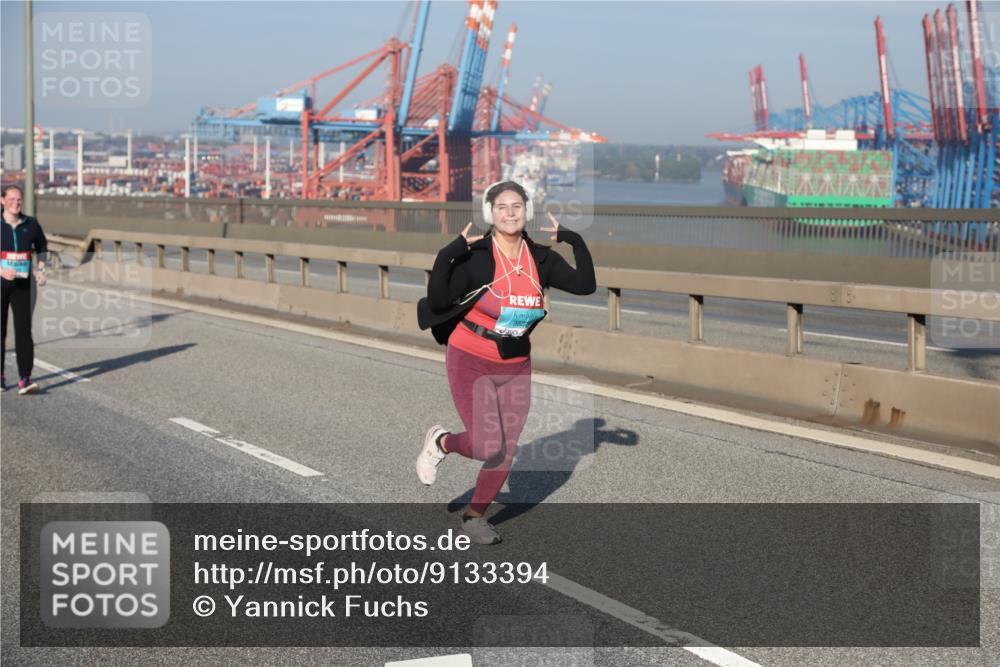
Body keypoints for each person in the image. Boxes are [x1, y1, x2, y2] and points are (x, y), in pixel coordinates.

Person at [416, 180, 596, 544]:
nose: (510, 212)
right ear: (490, 213)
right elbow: (437, 302)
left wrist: (575, 240)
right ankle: (441, 442)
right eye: (502, 207)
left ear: (526, 210)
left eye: (516, 206)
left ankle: (474, 517)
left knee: (506, 449)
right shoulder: (477, 255)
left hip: (515, 362)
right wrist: (446, 256)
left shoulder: (541, 258)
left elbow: (584, 286)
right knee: (486, 444)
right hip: (470, 355)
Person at [1, 185, 48, 394]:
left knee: (24, 331)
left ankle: (25, 379)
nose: (16, 203)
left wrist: (41, 269)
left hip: (23, 285)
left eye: (19, 199)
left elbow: (42, 248)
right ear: (2, 200)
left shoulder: (31, 224)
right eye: (11, 199)